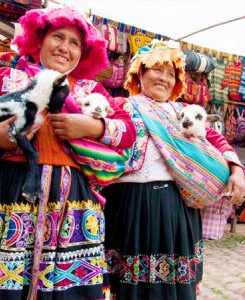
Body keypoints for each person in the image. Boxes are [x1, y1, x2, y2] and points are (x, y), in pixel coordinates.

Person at [0, 6, 136, 300]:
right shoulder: (5, 79)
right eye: (58, 37)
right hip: (8, 198)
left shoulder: (89, 90)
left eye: (74, 43)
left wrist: (90, 126)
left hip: (71, 207)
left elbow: (128, 132)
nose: (65, 48)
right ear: (39, 41)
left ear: (83, 53)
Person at [101, 41, 245, 300]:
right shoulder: (121, 107)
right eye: (157, 69)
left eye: (171, 74)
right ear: (140, 73)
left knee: (173, 289)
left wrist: (236, 169)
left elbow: (215, 138)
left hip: (175, 208)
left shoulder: (183, 113)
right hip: (130, 206)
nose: (164, 78)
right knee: (130, 287)